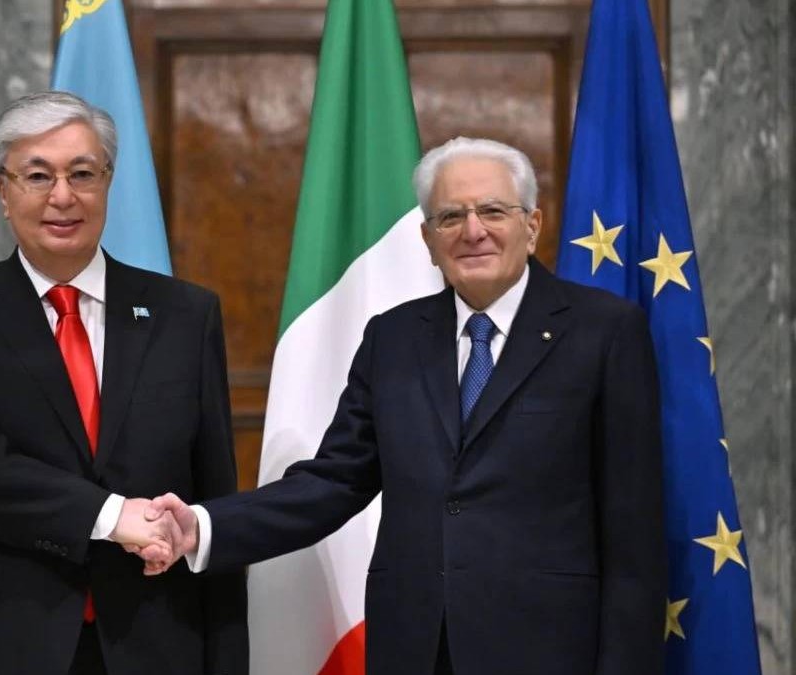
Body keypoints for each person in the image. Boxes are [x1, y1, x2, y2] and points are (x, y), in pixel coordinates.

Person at [145, 137, 666, 675]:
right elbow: (334, 481)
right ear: (427, 239)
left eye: (492, 211)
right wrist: (202, 525)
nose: (473, 231)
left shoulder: (604, 332)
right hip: (415, 648)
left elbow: (634, 530)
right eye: (450, 217)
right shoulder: (393, 338)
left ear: (532, 226)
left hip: (551, 650)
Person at [0, 90, 247, 675]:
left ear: (108, 182)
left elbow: (213, 493)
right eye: (38, 176)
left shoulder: (185, 315)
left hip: (157, 640)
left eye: (82, 174)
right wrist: (111, 516)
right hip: (1, 640)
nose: (62, 196)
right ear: (3, 191)